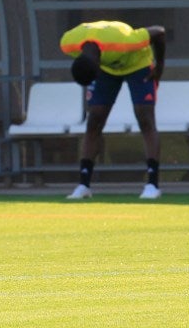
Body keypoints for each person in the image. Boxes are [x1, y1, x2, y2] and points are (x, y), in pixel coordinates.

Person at [60, 20, 166, 199]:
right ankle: (83, 185)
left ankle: (152, 185)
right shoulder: (68, 43)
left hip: (137, 64)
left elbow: (159, 31)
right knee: (94, 120)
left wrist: (160, 65)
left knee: (145, 118)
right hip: (106, 69)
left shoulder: (124, 40)